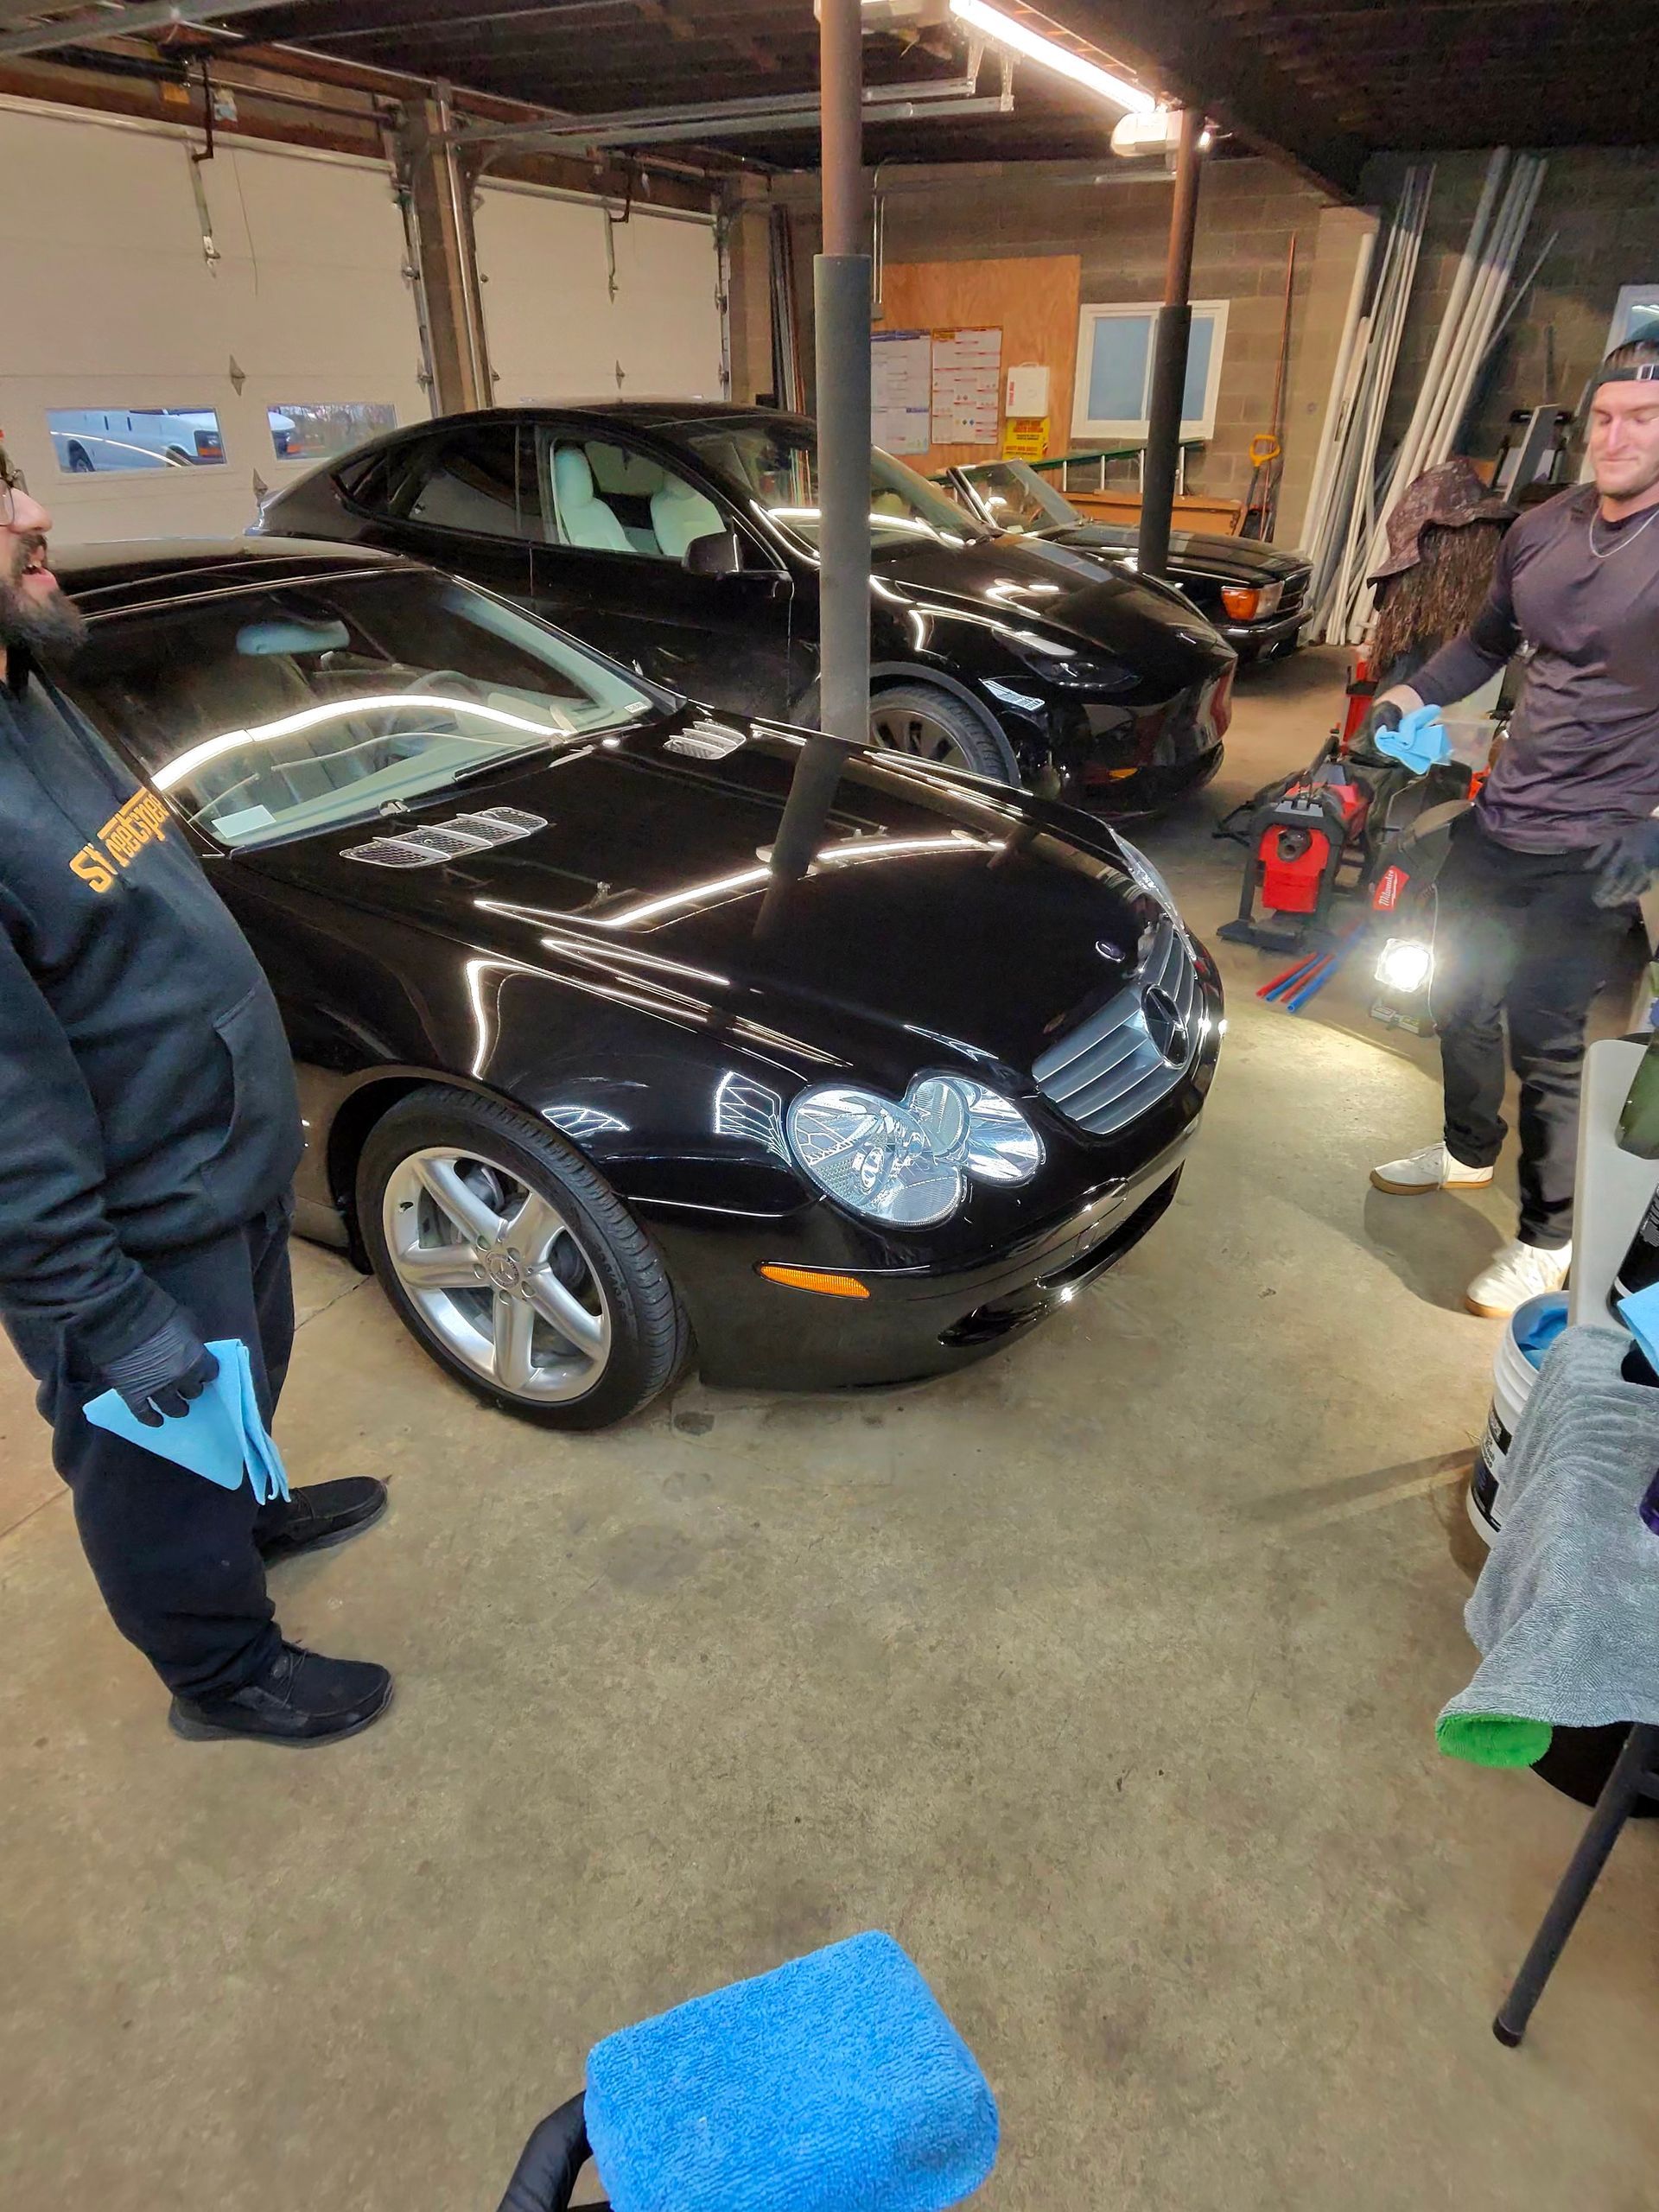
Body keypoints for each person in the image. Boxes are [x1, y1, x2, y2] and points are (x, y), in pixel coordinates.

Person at [0, 445, 392, 1744]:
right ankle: (219, 1676)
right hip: (128, 1235)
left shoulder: (26, 684)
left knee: (249, 1377)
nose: (34, 509)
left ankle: (253, 1509)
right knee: (150, 1460)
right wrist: (103, 1316)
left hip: (212, 1162)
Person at [1367, 333, 1659, 1317]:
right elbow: (1489, 639)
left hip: (1597, 843)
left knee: (1549, 1040)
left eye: (1645, 418)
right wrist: (1409, 694)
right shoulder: (1541, 527)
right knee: (1458, 995)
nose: (1618, 436)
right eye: (1607, 416)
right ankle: (1462, 1149)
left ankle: (1547, 1236)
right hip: (1506, 815)